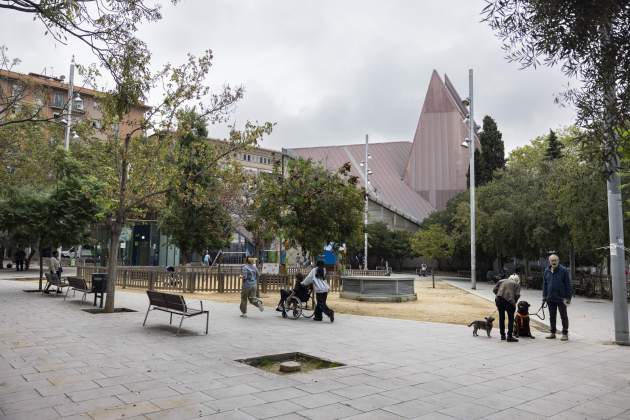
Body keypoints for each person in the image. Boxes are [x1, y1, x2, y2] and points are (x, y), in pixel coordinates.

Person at [543, 254, 572, 341]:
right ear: (549, 261)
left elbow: (568, 284)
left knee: (563, 316)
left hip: (561, 298)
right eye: (552, 260)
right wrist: (544, 296)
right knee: (552, 316)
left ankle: (565, 333)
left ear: (558, 261)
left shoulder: (563, 270)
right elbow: (545, 285)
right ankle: (552, 332)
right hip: (550, 298)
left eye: (555, 260)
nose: (554, 262)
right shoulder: (546, 270)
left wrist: (568, 297)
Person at [493, 273, 521, 342]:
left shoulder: (502, 281)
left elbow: (494, 290)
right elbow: (517, 295)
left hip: (499, 300)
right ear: (517, 280)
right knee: (511, 319)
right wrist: (514, 301)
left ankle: (502, 335)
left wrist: (499, 294)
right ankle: (509, 336)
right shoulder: (517, 284)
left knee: (501, 318)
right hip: (510, 302)